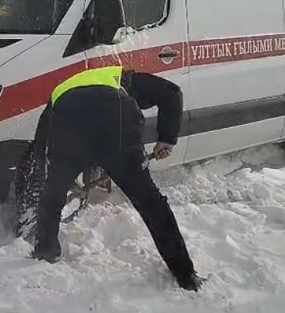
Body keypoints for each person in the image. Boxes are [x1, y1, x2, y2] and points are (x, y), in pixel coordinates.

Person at [28, 64, 204, 291]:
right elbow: (171, 92)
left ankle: (45, 252)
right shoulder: (122, 78)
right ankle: (185, 274)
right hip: (117, 123)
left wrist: (62, 179)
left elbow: (41, 144)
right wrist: (166, 138)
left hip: (68, 123)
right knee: (149, 200)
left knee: (51, 196)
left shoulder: (60, 92)